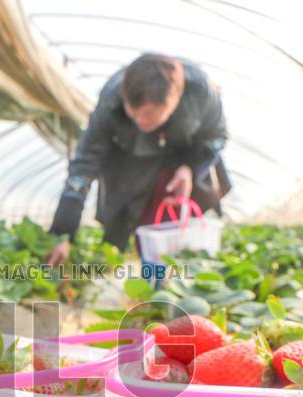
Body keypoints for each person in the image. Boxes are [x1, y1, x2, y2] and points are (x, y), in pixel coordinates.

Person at [46, 54, 231, 265]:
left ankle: (169, 279)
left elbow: (216, 136)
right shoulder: (111, 99)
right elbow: (84, 165)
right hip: (130, 167)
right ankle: (142, 275)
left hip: (180, 163)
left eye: (150, 114)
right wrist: (63, 233)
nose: (141, 120)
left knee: (175, 239)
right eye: (134, 114)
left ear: (174, 100)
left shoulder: (201, 91)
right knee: (130, 229)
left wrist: (189, 167)